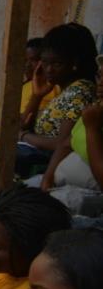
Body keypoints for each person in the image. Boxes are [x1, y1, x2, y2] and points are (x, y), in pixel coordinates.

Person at [17, 23, 98, 177]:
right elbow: (22, 123)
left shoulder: (79, 92)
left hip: (47, 163)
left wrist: (23, 136)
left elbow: (61, 144)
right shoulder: (65, 91)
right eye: (45, 63)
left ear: (74, 63)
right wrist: (37, 95)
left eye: (56, 63)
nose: (48, 70)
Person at [41, 65, 103, 213]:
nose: (101, 82)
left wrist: (92, 129)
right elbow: (66, 143)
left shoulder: (92, 116)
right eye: (100, 76)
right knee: (17, 193)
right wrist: (47, 179)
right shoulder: (96, 109)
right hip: (61, 184)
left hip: (88, 196)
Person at [21, 36, 59, 128]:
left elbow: (25, 122)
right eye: (25, 60)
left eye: (33, 60)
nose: (27, 65)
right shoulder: (25, 86)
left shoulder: (53, 87)